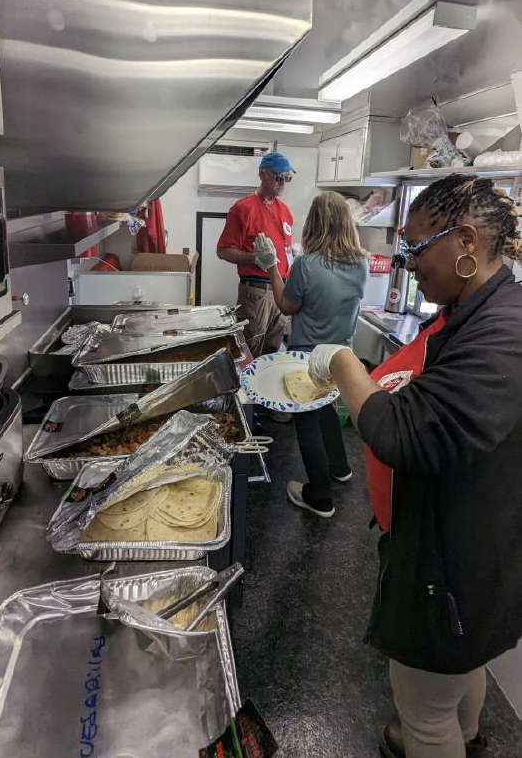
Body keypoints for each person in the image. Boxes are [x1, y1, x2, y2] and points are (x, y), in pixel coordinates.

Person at [308, 175, 522, 758]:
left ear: (467, 241)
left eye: (417, 247)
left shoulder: (505, 332)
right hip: (458, 547)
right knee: (458, 670)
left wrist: (343, 361)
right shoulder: (468, 310)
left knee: (424, 709)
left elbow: (402, 433)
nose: (406, 263)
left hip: (458, 564)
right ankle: (471, 737)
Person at [254, 191, 368, 517]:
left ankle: (320, 497)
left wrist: (272, 267)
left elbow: (287, 305)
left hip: (307, 358)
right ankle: (340, 467)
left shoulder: (307, 264)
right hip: (340, 357)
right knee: (327, 409)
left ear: (313, 223)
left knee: (306, 424)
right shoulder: (361, 262)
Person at [217, 151, 295, 360]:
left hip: (281, 292)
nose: (283, 183)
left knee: (272, 352)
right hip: (256, 293)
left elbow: (285, 248)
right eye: (278, 177)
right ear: (263, 175)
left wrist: (293, 256)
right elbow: (222, 250)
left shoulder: (285, 210)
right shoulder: (244, 208)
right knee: (249, 351)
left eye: (287, 178)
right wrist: (254, 259)